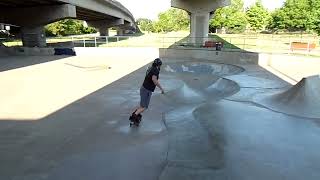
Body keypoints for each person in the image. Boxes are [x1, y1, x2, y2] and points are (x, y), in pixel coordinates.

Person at [129, 58, 165, 124]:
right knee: (144, 107)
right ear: (159, 65)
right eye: (160, 65)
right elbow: (154, 80)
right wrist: (161, 88)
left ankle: (136, 114)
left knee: (142, 106)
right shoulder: (155, 70)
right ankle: (134, 117)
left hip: (144, 88)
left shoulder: (151, 68)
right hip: (146, 90)